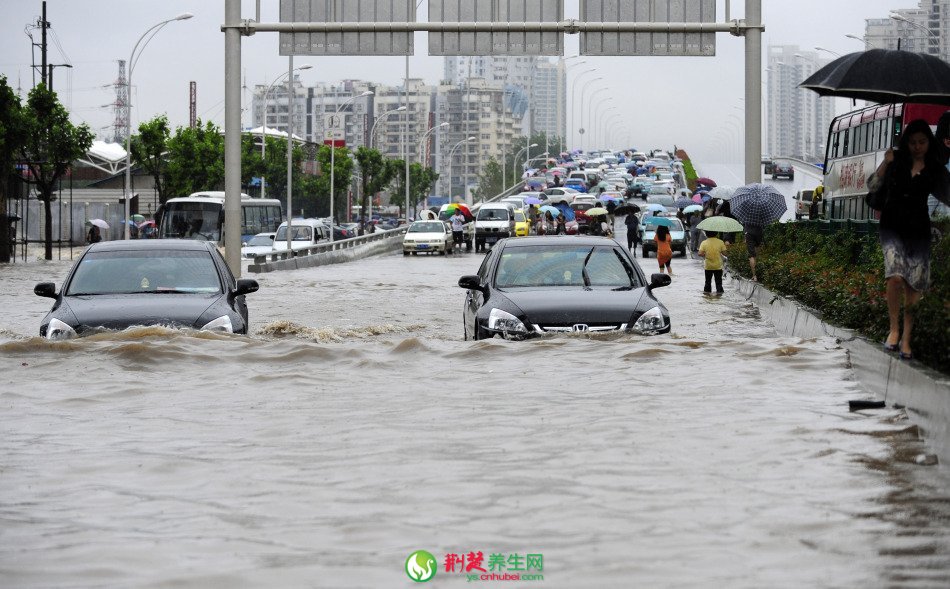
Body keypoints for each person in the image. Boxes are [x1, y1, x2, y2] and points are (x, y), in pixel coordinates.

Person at [870, 118, 950, 360]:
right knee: (894, 277)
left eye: (922, 142)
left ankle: (907, 339)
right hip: (892, 225)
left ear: (929, 142)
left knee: (914, 286)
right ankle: (893, 330)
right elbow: (873, 186)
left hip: (918, 229)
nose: (917, 147)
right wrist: (886, 162)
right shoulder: (896, 162)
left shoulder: (935, 168)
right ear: (907, 142)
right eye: (913, 142)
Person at [698, 230, 728, 295]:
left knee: (707, 283)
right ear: (716, 233)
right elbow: (725, 253)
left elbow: (700, 253)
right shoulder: (720, 242)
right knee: (719, 283)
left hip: (708, 266)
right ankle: (719, 296)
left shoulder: (704, 242)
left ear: (706, 234)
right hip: (718, 266)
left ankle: (707, 296)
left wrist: (705, 254)